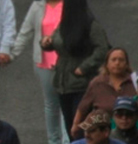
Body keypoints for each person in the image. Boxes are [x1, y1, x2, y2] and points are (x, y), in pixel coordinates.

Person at [10, 0, 69, 144]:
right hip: (44, 62)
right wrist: (12, 54)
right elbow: (26, 31)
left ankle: (66, 142)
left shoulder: (70, 5)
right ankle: (53, 143)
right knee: (51, 103)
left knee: (65, 102)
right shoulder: (38, 6)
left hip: (66, 62)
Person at [43, 0, 107, 136]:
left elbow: (102, 49)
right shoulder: (64, 25)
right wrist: (46, 43)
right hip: (63, 82)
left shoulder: (91, 25)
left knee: (80, 125)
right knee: (69, 123)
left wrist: (84, 67)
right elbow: (56, 41)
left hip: (82, 84)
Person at [72, 49, 138, 143]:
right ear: (107, 64)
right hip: (102, 132)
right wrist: (75, 125)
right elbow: (83, 107)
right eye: (113, 60)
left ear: (127, 64)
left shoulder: (135, 82)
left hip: (130, 130)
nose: (117, 63)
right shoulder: (97, 83)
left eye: (121, 60)